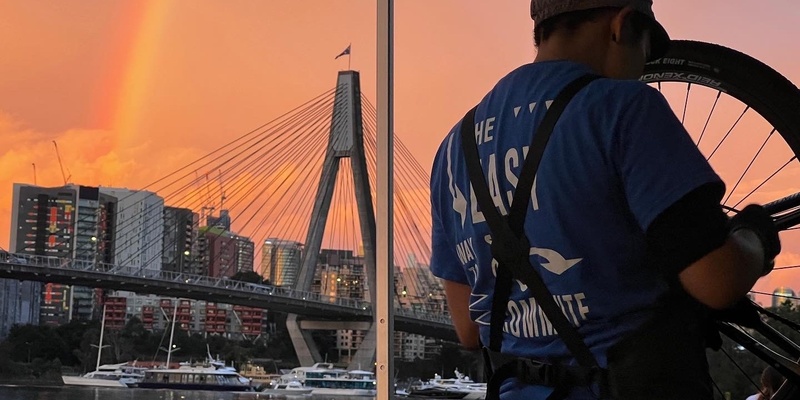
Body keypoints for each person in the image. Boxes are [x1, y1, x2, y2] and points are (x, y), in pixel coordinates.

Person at [428, 1, 781, 399]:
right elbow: (718, 282)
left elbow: (468, 328)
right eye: (646, 50)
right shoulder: (622, 107)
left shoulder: (454, 148)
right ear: (623, 25)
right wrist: (755, 235)